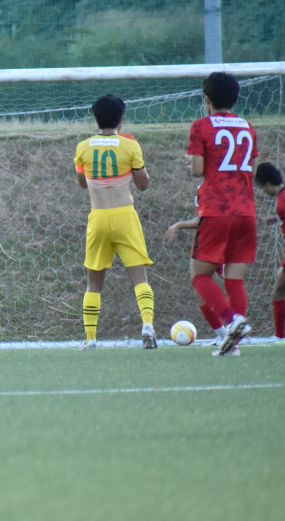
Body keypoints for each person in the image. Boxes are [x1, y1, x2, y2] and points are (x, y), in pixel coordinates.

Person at [73, 95, 156, 350]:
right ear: (121, 119)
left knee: (93, 283)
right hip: (125, 216)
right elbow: (142, 184)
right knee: (139, 278)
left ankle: (90, 338)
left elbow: (82, 182)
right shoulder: (130, 145)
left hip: (98, 217)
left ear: (96, 118)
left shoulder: (83, 147)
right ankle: (147, 324)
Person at [187, 72, 258, 356]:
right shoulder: (248, 127)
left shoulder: (201, 126)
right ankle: (233, 346)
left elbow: (197, 170)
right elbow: (251, 169)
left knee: (199, 276)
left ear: (207, 100)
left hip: (217, 209)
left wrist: (195, 161)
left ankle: (231, 320)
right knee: (234, 279)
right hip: (246, 211)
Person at [164, 183, 226, 345]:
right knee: (207, 292)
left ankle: (229, 333)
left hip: (211, 244)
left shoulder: (207, 188)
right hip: (219, 240)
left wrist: (178, 225)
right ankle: (225, 335)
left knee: (205, 290)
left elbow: (202, 220)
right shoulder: (211, 185)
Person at [254, 162, 285, 342]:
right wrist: (276, 218)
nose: (263, 192)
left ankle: (279, 337)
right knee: (279, 290)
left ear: (266, 183)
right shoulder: (282, 197)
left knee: (278, 292)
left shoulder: (282, 200)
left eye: (261, 187)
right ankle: (279, 337)